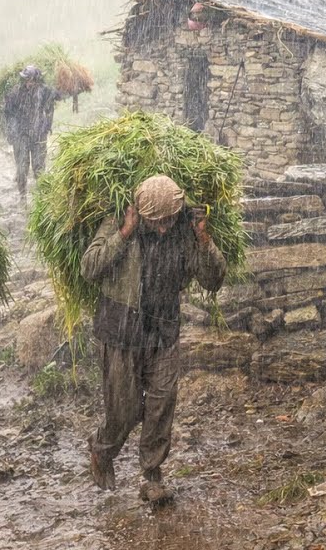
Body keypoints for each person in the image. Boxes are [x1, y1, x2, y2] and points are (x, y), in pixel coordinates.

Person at [80, 174, 227, 504]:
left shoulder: (186, 230)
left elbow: (213, 279)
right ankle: (102, 448)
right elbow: (88, 268)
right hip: (119, 330)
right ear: (140, 213)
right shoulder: (120, 222)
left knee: (162, 403)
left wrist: (204, 240)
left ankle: (152, 475)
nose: (163, 228)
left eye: (168, 220)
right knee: (126, 409)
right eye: (155, 221)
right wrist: (124, 233)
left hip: (162, 331)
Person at [3, 65, 59, 198]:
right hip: (21, 136)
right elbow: (8, 114)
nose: (30, 83)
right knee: (22, 169)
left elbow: (51, 107)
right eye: (27, 80)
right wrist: (11, 132)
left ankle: (42, 198)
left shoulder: (44, 92)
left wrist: (48, 125)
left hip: (39, 135)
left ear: (37, 81)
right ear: (23, 80)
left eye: (33, 80)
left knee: (39, 168)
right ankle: (22, 196)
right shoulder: (15, 93)